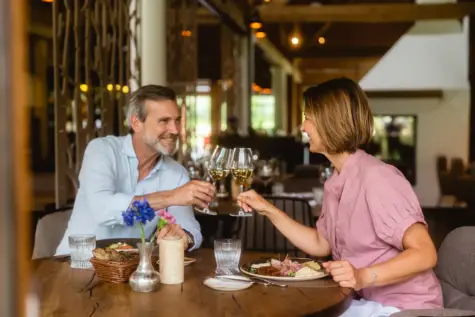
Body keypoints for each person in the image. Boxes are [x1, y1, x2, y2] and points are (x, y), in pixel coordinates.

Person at [237, 78, 442, 316]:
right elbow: (320, 243)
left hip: (403, 308)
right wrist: (267, 209)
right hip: (365, 302)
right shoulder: (337, 180)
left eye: (308, 118)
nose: (303, 127)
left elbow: (426, 253)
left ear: (330, 122)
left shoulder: (377, 178)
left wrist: (362, 276)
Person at [55, 85, 215, 255]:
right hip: (76, 265)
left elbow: (190, 229)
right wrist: (172, 196)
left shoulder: (177, 174)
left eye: (177, 120)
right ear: (136, 122)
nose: (175, 130)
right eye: (164, 121)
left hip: (130, 272)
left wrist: (185, 237)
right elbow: (103, 209)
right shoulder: (101, 150)